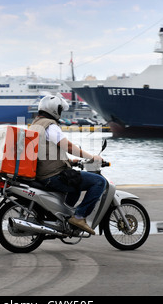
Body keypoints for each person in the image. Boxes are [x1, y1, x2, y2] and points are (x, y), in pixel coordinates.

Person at [29, 95, 107, 235]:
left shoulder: (36, 124)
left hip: (42, 173)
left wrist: (71, 162)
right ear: (54, 109)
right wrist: (92, 157)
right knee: (99, 182)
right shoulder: (51, 126)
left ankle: (63, 219)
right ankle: (79, 217)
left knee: (75, 188)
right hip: (52, 176)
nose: (61, 113)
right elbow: (68, 147)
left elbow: (46, 152)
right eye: (60, 110)